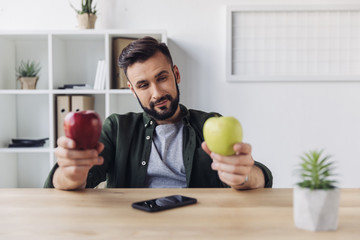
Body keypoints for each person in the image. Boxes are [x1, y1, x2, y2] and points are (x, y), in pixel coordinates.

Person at [44, 36, 272, 190]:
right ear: (132, 91)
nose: (156, 93)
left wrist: (244, 175)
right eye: (143, 85)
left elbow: (259, 176)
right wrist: (71, 174)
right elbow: (64, 181)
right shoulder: (117, 128)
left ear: (176, 75)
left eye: (162, 78)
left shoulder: (210, 123)